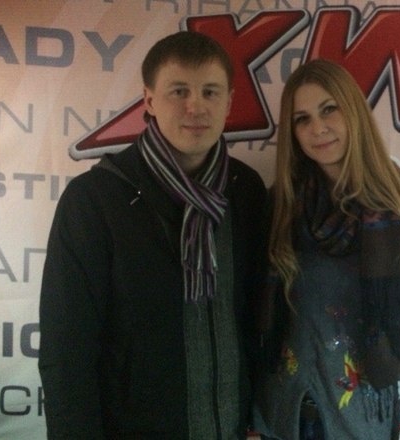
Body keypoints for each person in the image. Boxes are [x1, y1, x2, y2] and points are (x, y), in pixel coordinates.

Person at [38, 31, 267, 439]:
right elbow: (66, 351)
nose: (196, 106)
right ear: (149, 100)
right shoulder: (95, 199)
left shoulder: (246, 191)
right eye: (179, 91)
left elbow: (253, 320)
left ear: (229, 102)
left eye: (210, 92)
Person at [252, 59, 400, 440]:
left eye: (329, 109)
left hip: (362, 422)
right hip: (282, 416)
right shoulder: (282, 204)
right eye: (302, 119)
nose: (318, 128)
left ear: (354, 113)